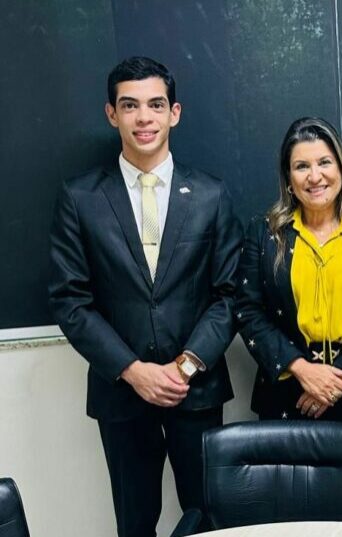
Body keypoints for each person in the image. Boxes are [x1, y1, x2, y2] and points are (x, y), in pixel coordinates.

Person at [49, 56, 242, 537]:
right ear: (111, 114)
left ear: (174, 113)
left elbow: (229, 295)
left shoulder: (211, 195)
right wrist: (134, 371)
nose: (143, 118)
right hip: (121, 393)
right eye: (129, 105)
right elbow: (70, 301)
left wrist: (184, 367)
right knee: (134, 525)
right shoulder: (80, 197)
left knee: (209, 522)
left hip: (195, 391)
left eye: (156, 105)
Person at [235, 117, 342, 519]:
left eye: (324, 162)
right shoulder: (263, 234)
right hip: (286, 400)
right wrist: (302, 370)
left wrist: (338, 379)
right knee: (290, 521)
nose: (315, 176)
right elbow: (247, 310)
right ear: (288, 178)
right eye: (301, 166)